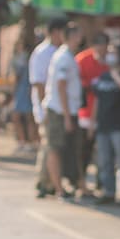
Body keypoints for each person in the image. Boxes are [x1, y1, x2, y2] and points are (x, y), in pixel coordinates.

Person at [91, 45, 120, 206]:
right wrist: (93, 122)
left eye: (114, 53)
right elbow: (97, 100)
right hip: (103, 125)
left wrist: (115, 74)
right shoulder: (102, 77)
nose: (110, 55)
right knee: (104, 161)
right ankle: (108, 191)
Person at [43, 22, 84, 200]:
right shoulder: (63, 57)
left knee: (67, 149)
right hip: (59, 111)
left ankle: (65, 184)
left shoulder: (69, 56)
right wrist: (67, 116)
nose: (80, 38)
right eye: (77, 35)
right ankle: (58, 187)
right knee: (55, 148)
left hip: (66, 111)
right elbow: (61, 87)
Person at [29, 18, 67, 198]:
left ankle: (48, 181)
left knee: (49, 145)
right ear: (54, 32)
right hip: (46, 106)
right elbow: (39, 84)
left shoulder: (59, 51)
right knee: (48, 145)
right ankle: (43, 182)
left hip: (56, 106)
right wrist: (44, 107)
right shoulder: (42, 53)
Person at [76, 32, 110, 196]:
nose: (102, 50)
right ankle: (80, 182)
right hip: (85, 113)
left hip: (106, 114)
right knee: (84, 150)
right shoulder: (82, 60)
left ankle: (101, 183)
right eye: (99, 45)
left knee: (104, 152)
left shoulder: (111, 61)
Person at [9, 33, 37, 153]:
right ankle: (26, 141)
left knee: (25, 117)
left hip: (24, 89)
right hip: (25, 89)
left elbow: (16, 76)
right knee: (25, 117)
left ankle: (27, 142)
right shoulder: (24, 57)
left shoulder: (23, 58)